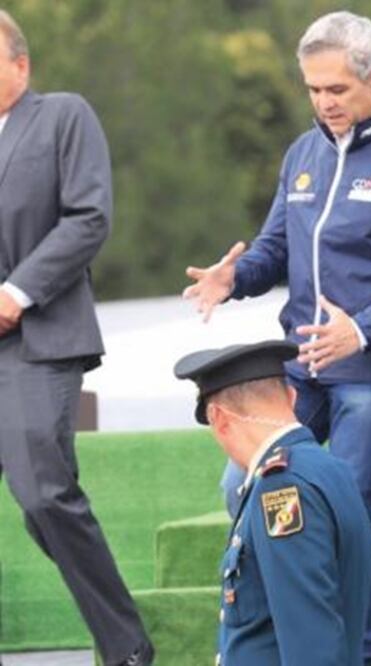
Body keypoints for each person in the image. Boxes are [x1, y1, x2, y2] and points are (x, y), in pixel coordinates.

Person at [181, 12, 371, 664]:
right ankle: (282, 634)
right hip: (298, 368)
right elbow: (276, 248)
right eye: (313, 89)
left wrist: (360, 330)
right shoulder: (302, 154)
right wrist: (234, 278)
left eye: (336, 89)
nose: (324, 103)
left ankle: (361, 654)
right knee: (238, 488)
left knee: (352, 507)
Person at [0, 11, 153, 666]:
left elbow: (89, 217)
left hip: (37, 337)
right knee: (41, 500)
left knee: (44, 496)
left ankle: (126, 649)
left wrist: (14, 294)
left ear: (19, 64)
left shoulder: (63, 116)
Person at [174, 340, 371, 665]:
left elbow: (311, 640)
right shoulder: (327, 468)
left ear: (218, 417)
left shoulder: (281, 487)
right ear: (292, 398)